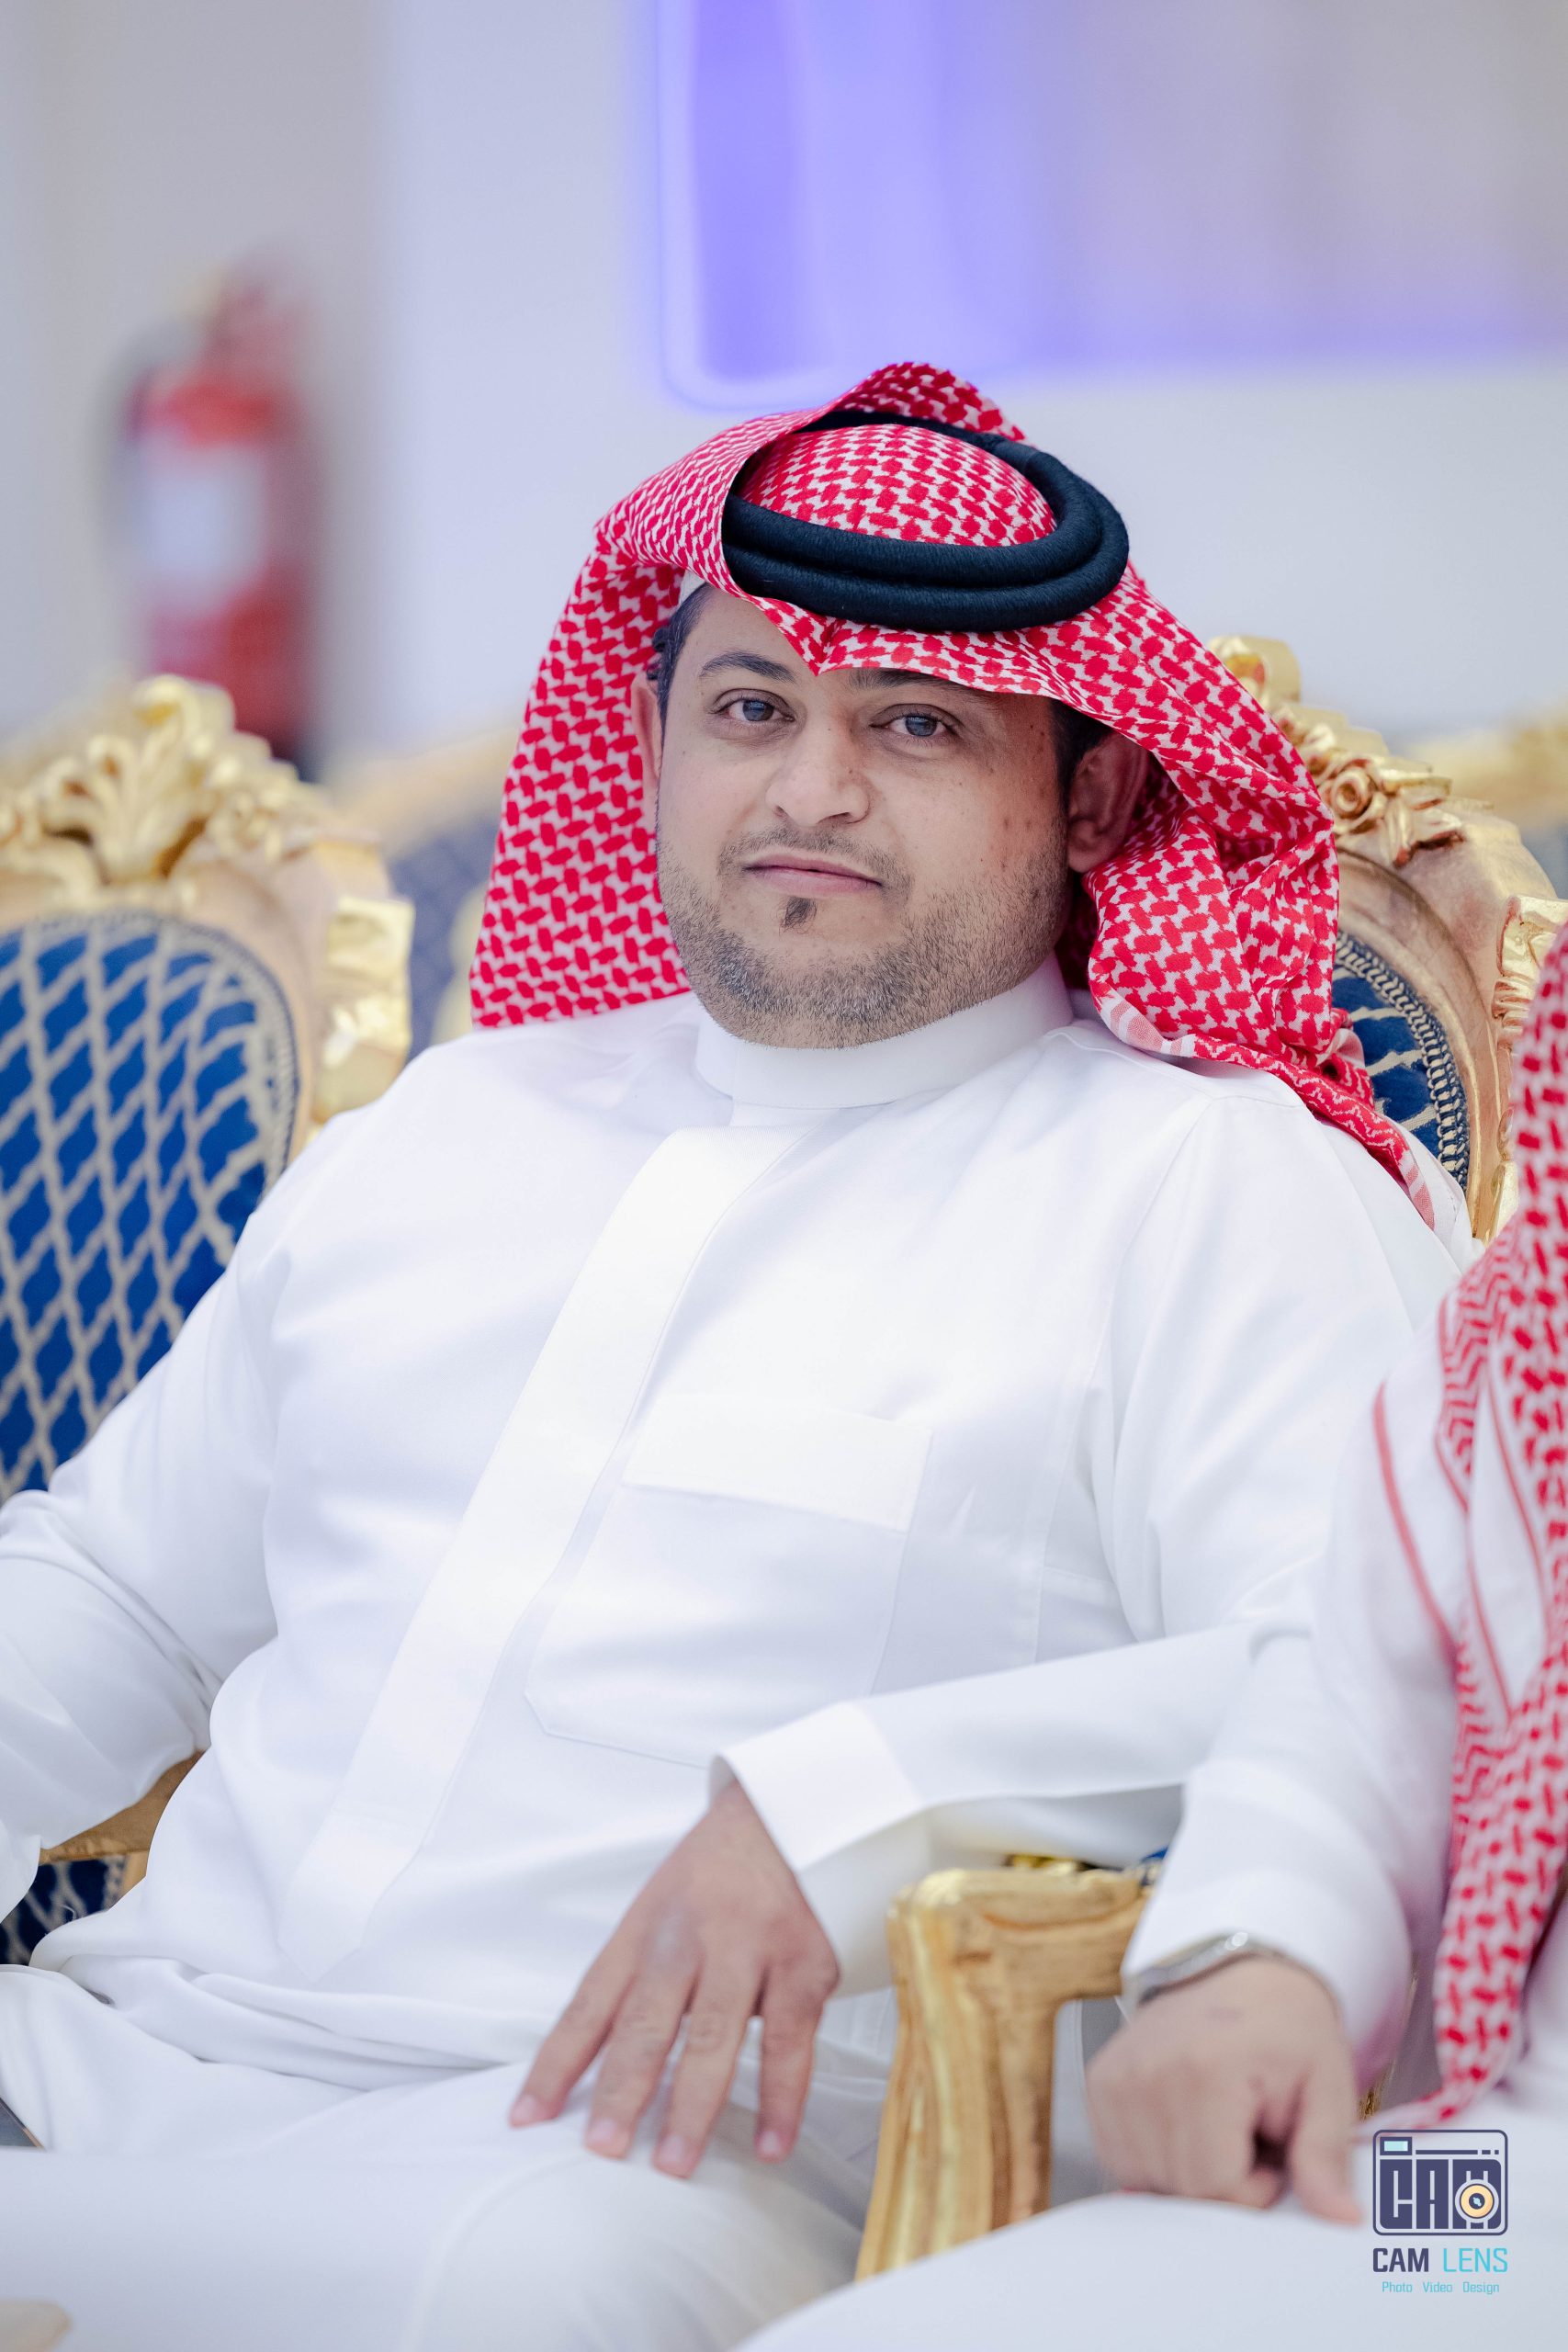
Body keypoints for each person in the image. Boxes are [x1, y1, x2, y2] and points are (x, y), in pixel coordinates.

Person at [0, 363, 1466, 2352]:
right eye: (752, 708)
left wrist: (863, 1793)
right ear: (654, 742)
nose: (808, 789)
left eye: (914, 723)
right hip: (108, 2063)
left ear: (1097, 792)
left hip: (593, 2168)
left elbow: (1373, 1670)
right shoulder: (456, 1123)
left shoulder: (1205, 1187)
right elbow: (107, 1594)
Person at [744, 910, 1568, 2352]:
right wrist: (1268, 1956)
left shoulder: (1223, 1176)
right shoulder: (1514, 1358)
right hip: (1500, 2183)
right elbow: (1358, 1706)